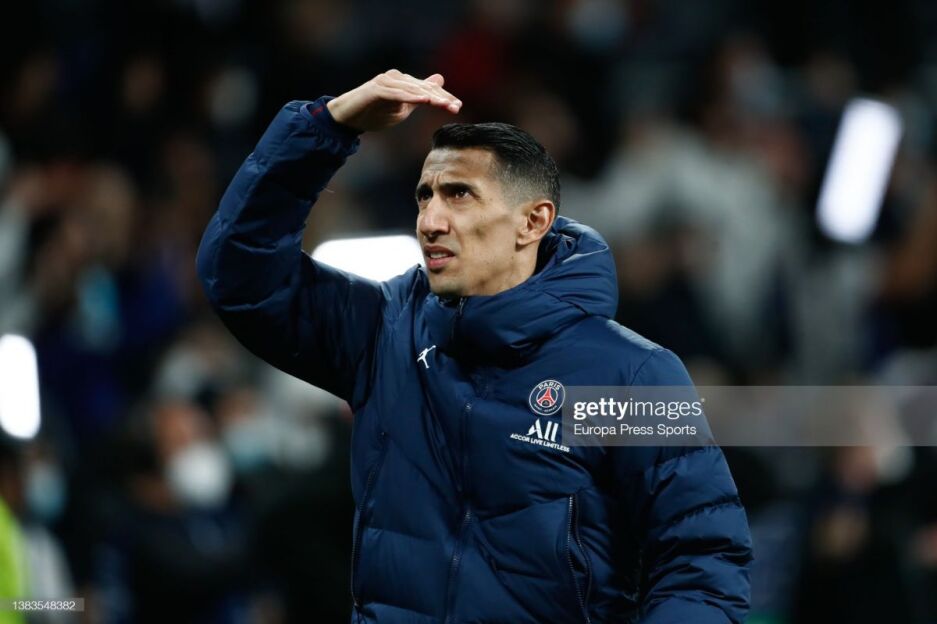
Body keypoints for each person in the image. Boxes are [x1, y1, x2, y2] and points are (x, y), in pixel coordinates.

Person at [197, 70, 752, 623]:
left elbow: (702, 561)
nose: (430, 221)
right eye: (424, 196)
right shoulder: (384, 331)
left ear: (532, 221)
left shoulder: (631, 375)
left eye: (458, 194)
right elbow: (241, 278)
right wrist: (326, 127)